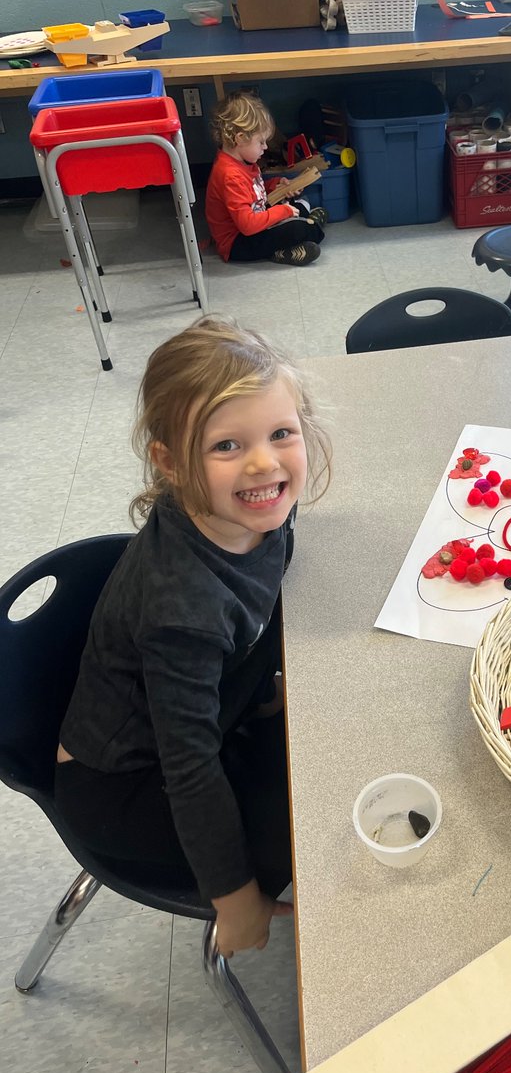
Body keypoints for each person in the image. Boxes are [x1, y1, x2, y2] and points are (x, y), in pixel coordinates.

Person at [54, 317, 332, 957]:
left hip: (205, 722)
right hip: (125, 788)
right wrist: (237, 901)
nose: (264, 463)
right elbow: (189, 768)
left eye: (281, 433)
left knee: (331, 754)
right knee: (317, 825)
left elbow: (254, 614)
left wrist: (262, 694)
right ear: (171, 463)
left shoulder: (257, 509)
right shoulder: (183, 609)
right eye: (227, 446)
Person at [205, 91, 326, 268]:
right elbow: (247, 225)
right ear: (240, 139)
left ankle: (301, 222)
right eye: (261, 142)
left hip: (254, 219)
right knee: (302, 229)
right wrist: (283, 212)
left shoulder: (243, 159)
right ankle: (285, 247)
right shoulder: (230, 175)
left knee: (298, 203)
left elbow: (252, 190)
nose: (266, 147)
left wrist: (276, 185)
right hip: (238, 242)